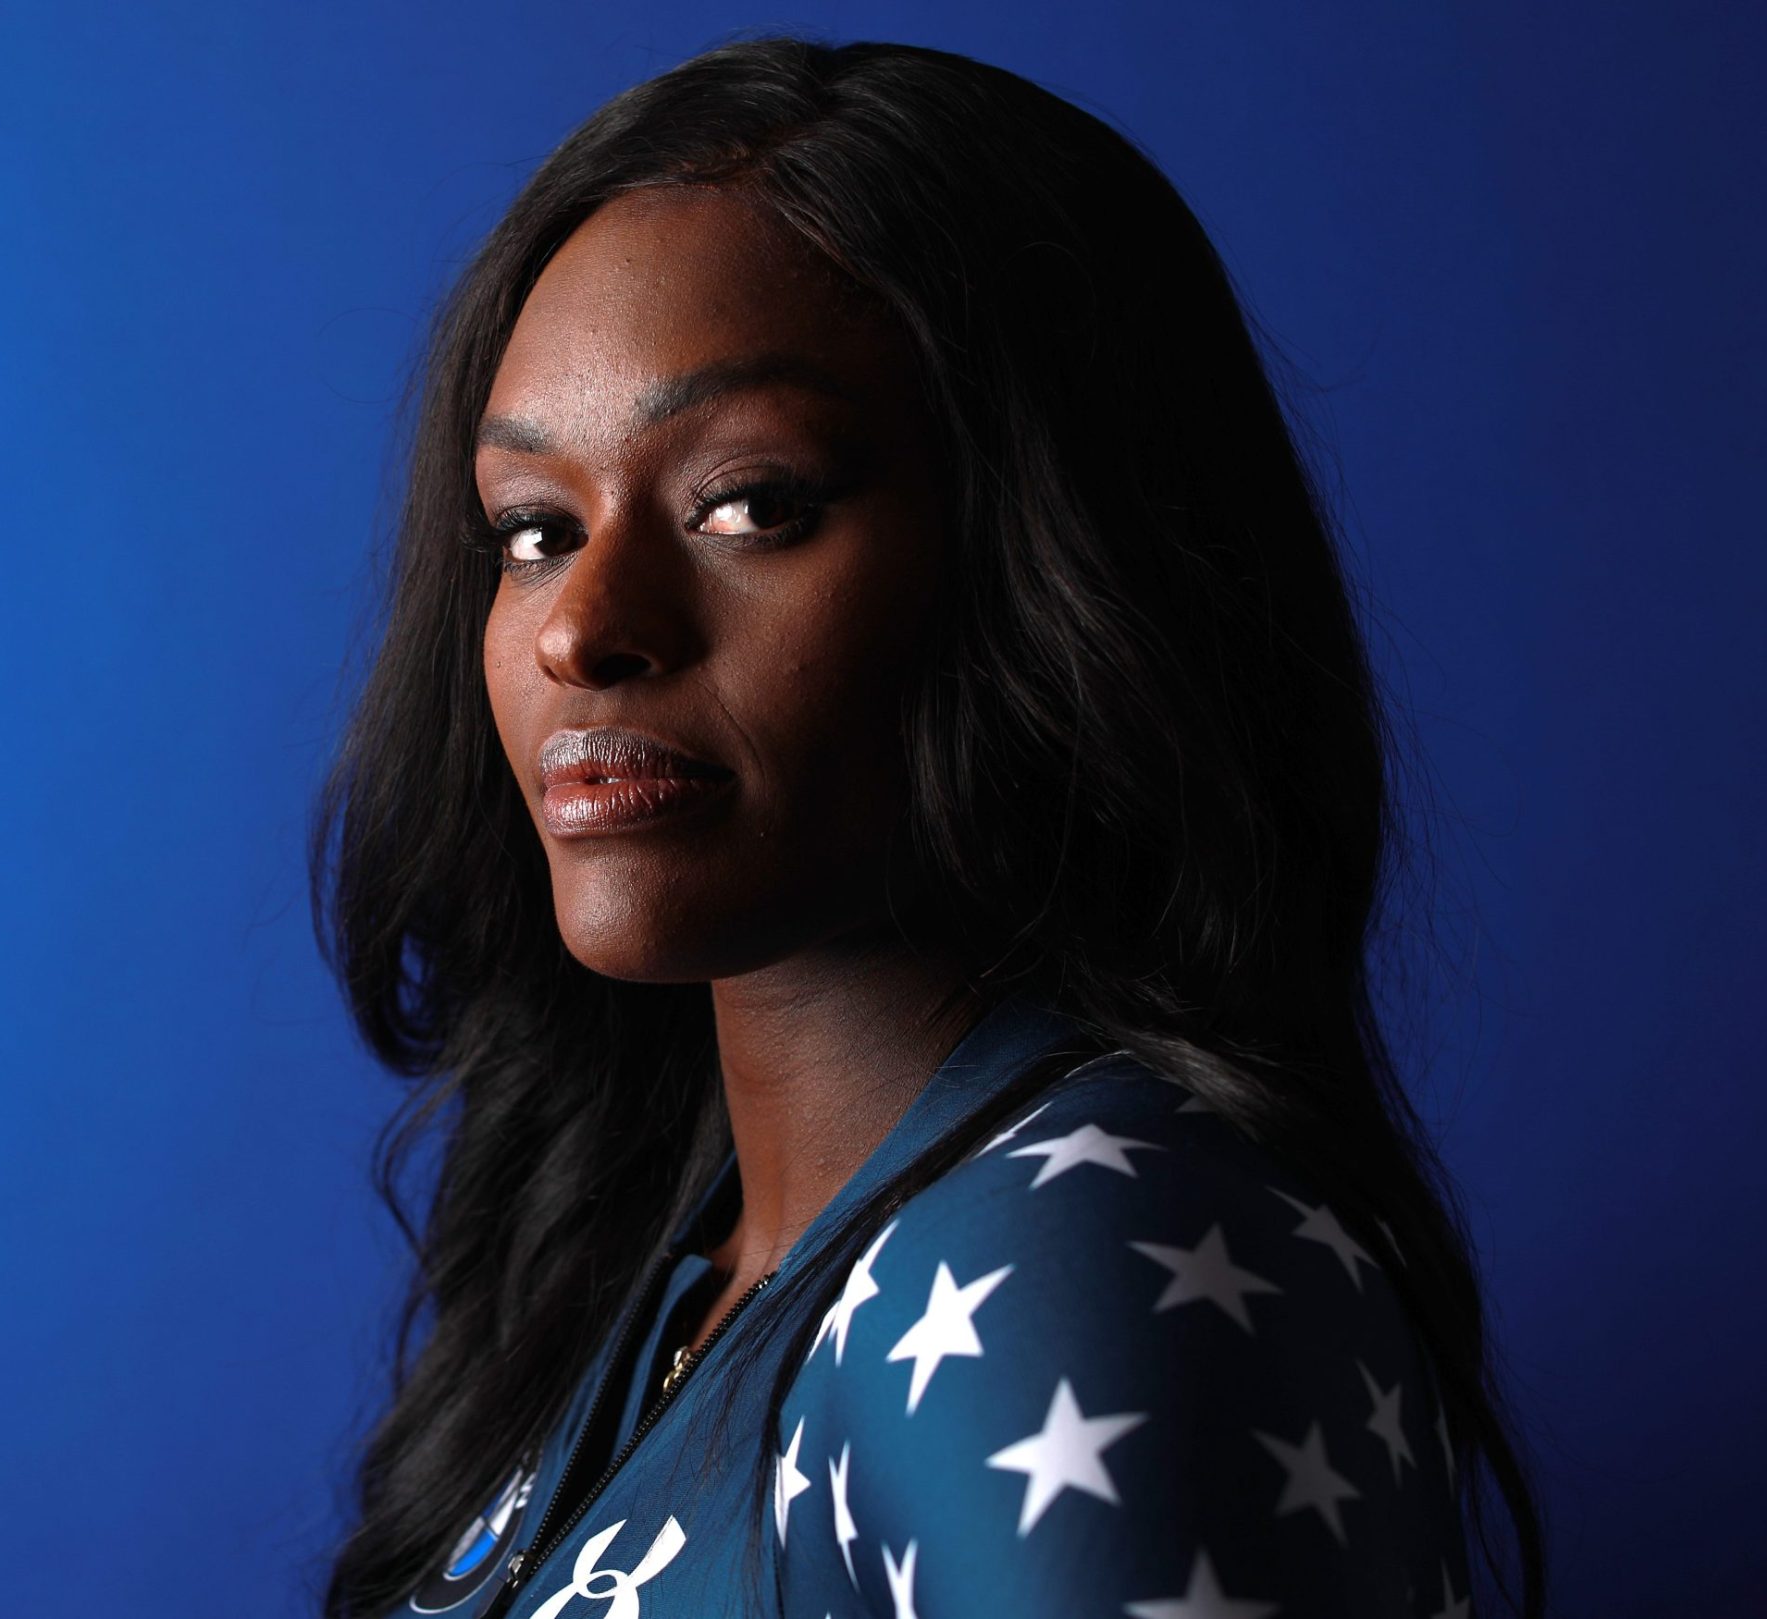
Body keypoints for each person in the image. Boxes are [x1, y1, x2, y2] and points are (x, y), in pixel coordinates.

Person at [310, 37, 1545, 1619]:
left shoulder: (1082, 1261)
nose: (584, 629)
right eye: (535, 530)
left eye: (751, 501)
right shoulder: (675, 1260)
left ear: (1063, 559)